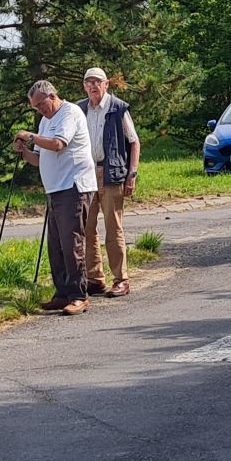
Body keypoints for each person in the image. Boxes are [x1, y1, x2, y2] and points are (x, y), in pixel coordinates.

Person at [14, 79, 97, 315]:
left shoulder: (69, 113)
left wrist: (31, 136)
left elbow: (59, 144)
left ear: (52, 96)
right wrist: (25, 152)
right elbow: (40, 158)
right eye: (36, 107)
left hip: (73, 185)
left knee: (72, 243)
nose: (40, 110)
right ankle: (62, 293)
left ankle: (79, 295)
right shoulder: (45, 121)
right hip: (54, 188)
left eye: (42, 104)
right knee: (56, 245)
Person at [77, 67, 140, 297]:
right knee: (87, 227)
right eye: (89, 82)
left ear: (106, 85)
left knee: (113, 228)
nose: (93, 86)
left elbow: (134, 142)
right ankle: (95, 278)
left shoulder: (118, 108)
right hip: (86, 175)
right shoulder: (80, 109)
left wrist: (131, 175)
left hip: (112, 174)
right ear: (84, 86)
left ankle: (121, 279)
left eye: (97, 82)